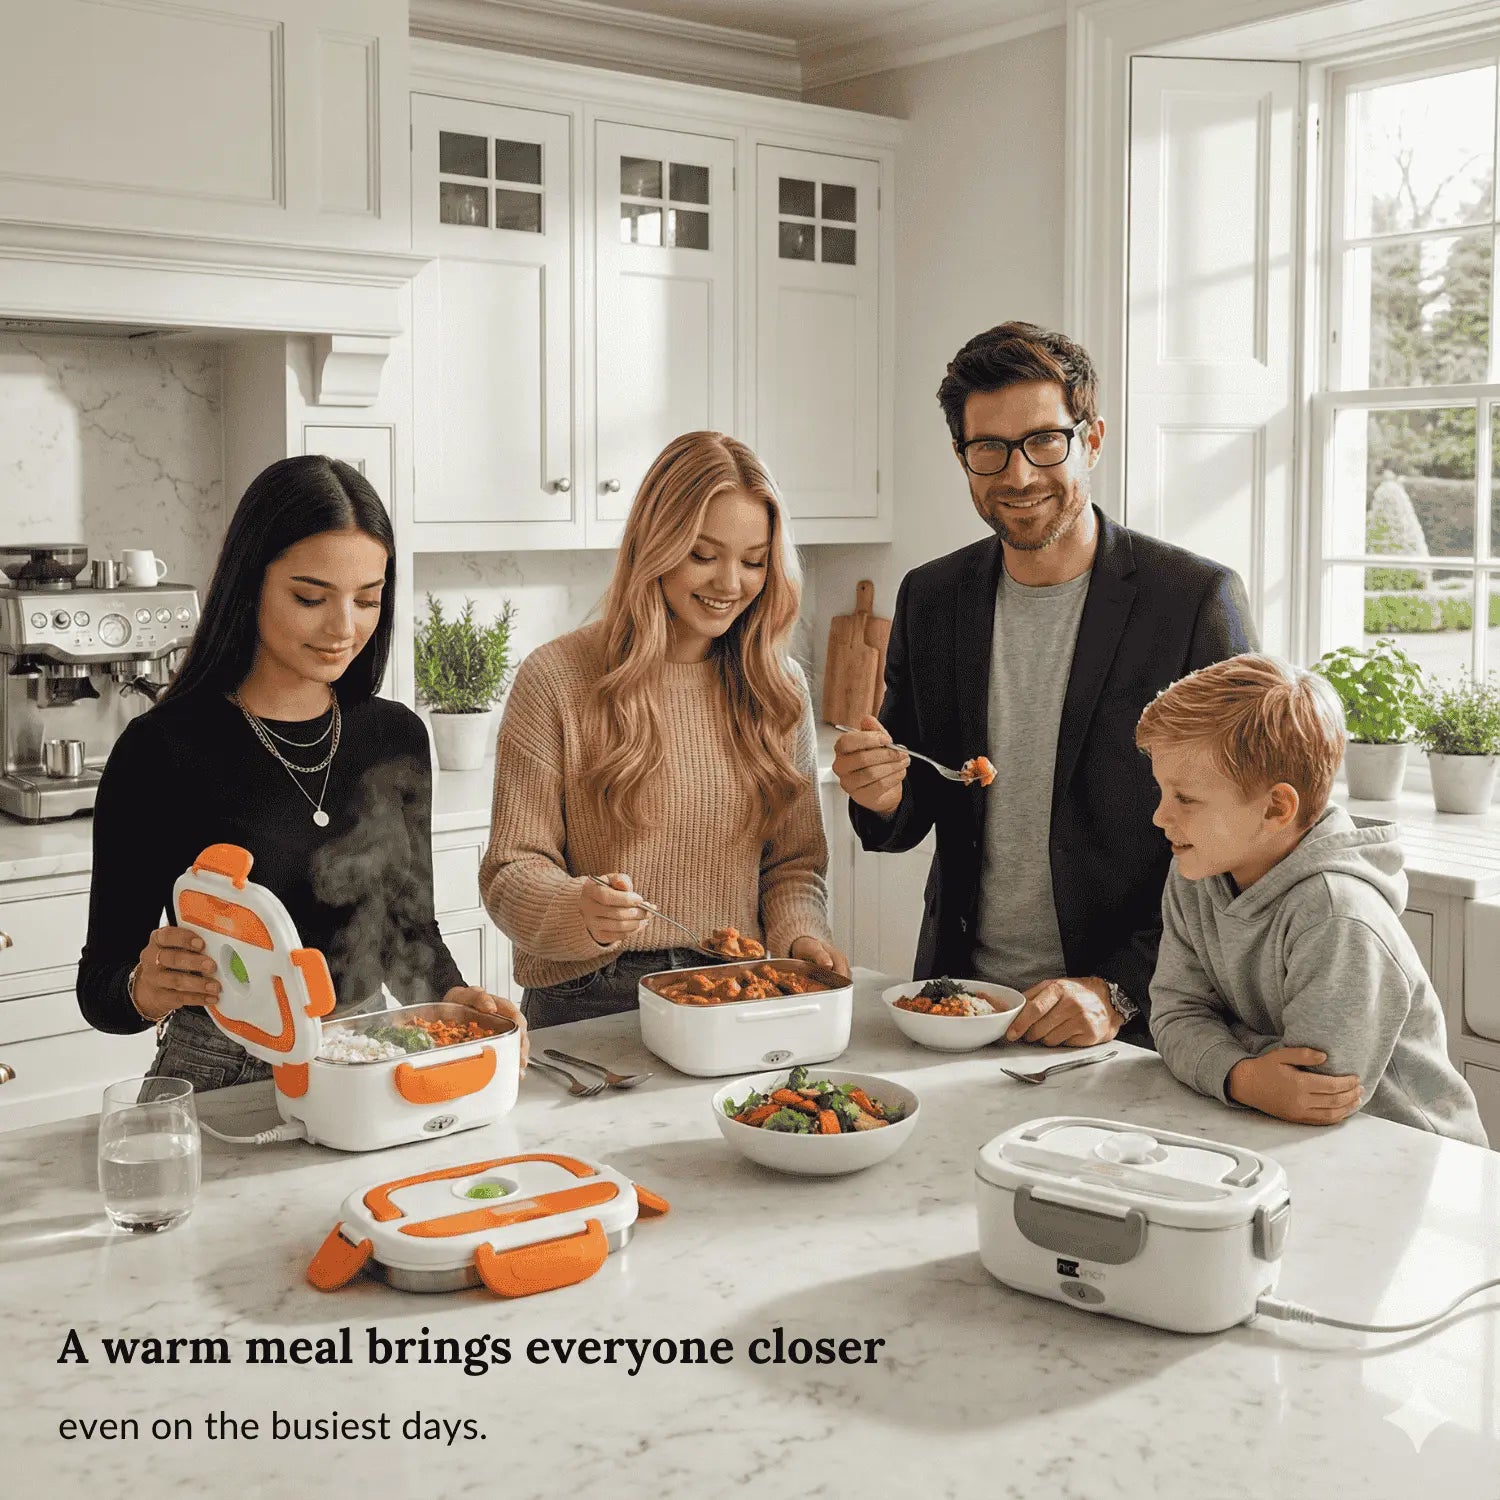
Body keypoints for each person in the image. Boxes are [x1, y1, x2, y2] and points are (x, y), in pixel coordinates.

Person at [833, 320, 1255, 1047]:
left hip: (1137, 1022)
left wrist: (1119, 988)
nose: (1018, 475)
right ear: (963, 457)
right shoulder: (931, 598)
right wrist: (881, 791)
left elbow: (1242, 842)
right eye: (988, 449)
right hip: (961, 1007)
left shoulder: (1192, 601)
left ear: (1091, 440)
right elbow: (909, 809)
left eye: (1044, 441)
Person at [77, 455, 526, 1091]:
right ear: (249, 583)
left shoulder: (393, 735)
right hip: (220, 1069)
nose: (344, 629)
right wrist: (144, 989)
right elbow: (101, 987)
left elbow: (407, 931)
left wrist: (452, 998)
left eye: (368, 599)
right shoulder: (162, 749)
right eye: (310, 597)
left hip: (366, 1059)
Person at [480, 430, 845, 1029]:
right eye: (703, 554)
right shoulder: (555, 679)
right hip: (589, 999)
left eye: (754, 561)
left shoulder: (778, 689)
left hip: (739, 990)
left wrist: (801, 937)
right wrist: (582, 911)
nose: (731, 583)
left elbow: (794, 866)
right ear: (655, 545)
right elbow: (509, 871)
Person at [1137, 654, 1486, 1145]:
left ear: (1276, 808)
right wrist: (1244, 1075)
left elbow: (1314, 1092)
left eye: (1185, 799)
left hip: (1409, 1154)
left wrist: (1216, 1045)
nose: (1159, 816)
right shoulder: (1195, 873)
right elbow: (1172, 1017)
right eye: (1161, 792)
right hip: (1293, 1140)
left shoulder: (1337, 914)